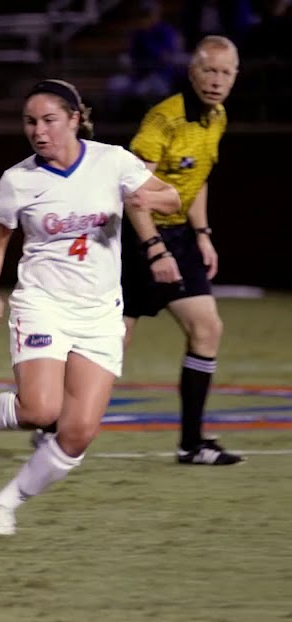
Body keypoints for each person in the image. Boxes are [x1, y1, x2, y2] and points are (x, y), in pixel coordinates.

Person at [0, 79, 181, 535]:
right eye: (30, 122)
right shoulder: (17, 181)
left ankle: (4, 504)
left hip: (101, 312)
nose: (38, 131)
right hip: (43, 304)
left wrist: (149, 197)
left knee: (78, 432)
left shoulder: (112, 161)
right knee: (39, 410)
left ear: (74, 119)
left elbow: (171, 196)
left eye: (48, 120)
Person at [119, 36, 244, 465]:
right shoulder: (163, 120)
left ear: (234, 78)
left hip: (181, 237)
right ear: (192, 72)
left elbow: (199, 177)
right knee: (112, 345)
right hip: (138, 236)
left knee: (207, 329)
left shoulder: (219, 118)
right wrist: (154, 248)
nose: (216, 80)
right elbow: (133, 193)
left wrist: (203, 234)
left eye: (225, 73)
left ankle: (192, 444)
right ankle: (55, 425)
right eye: (208, 70)